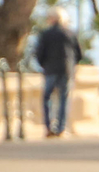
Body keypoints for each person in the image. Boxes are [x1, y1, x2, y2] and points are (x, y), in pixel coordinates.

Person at [32, 10, 79, 138]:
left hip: (50, 70)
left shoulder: (46, 34)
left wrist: (44, 65)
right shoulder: (70, 33)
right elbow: (78, 54)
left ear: (51, 20)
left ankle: (49, 126)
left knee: (47, 98)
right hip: (66, 70)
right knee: (64, 99)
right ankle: (61, 128)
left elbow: (39, 53)